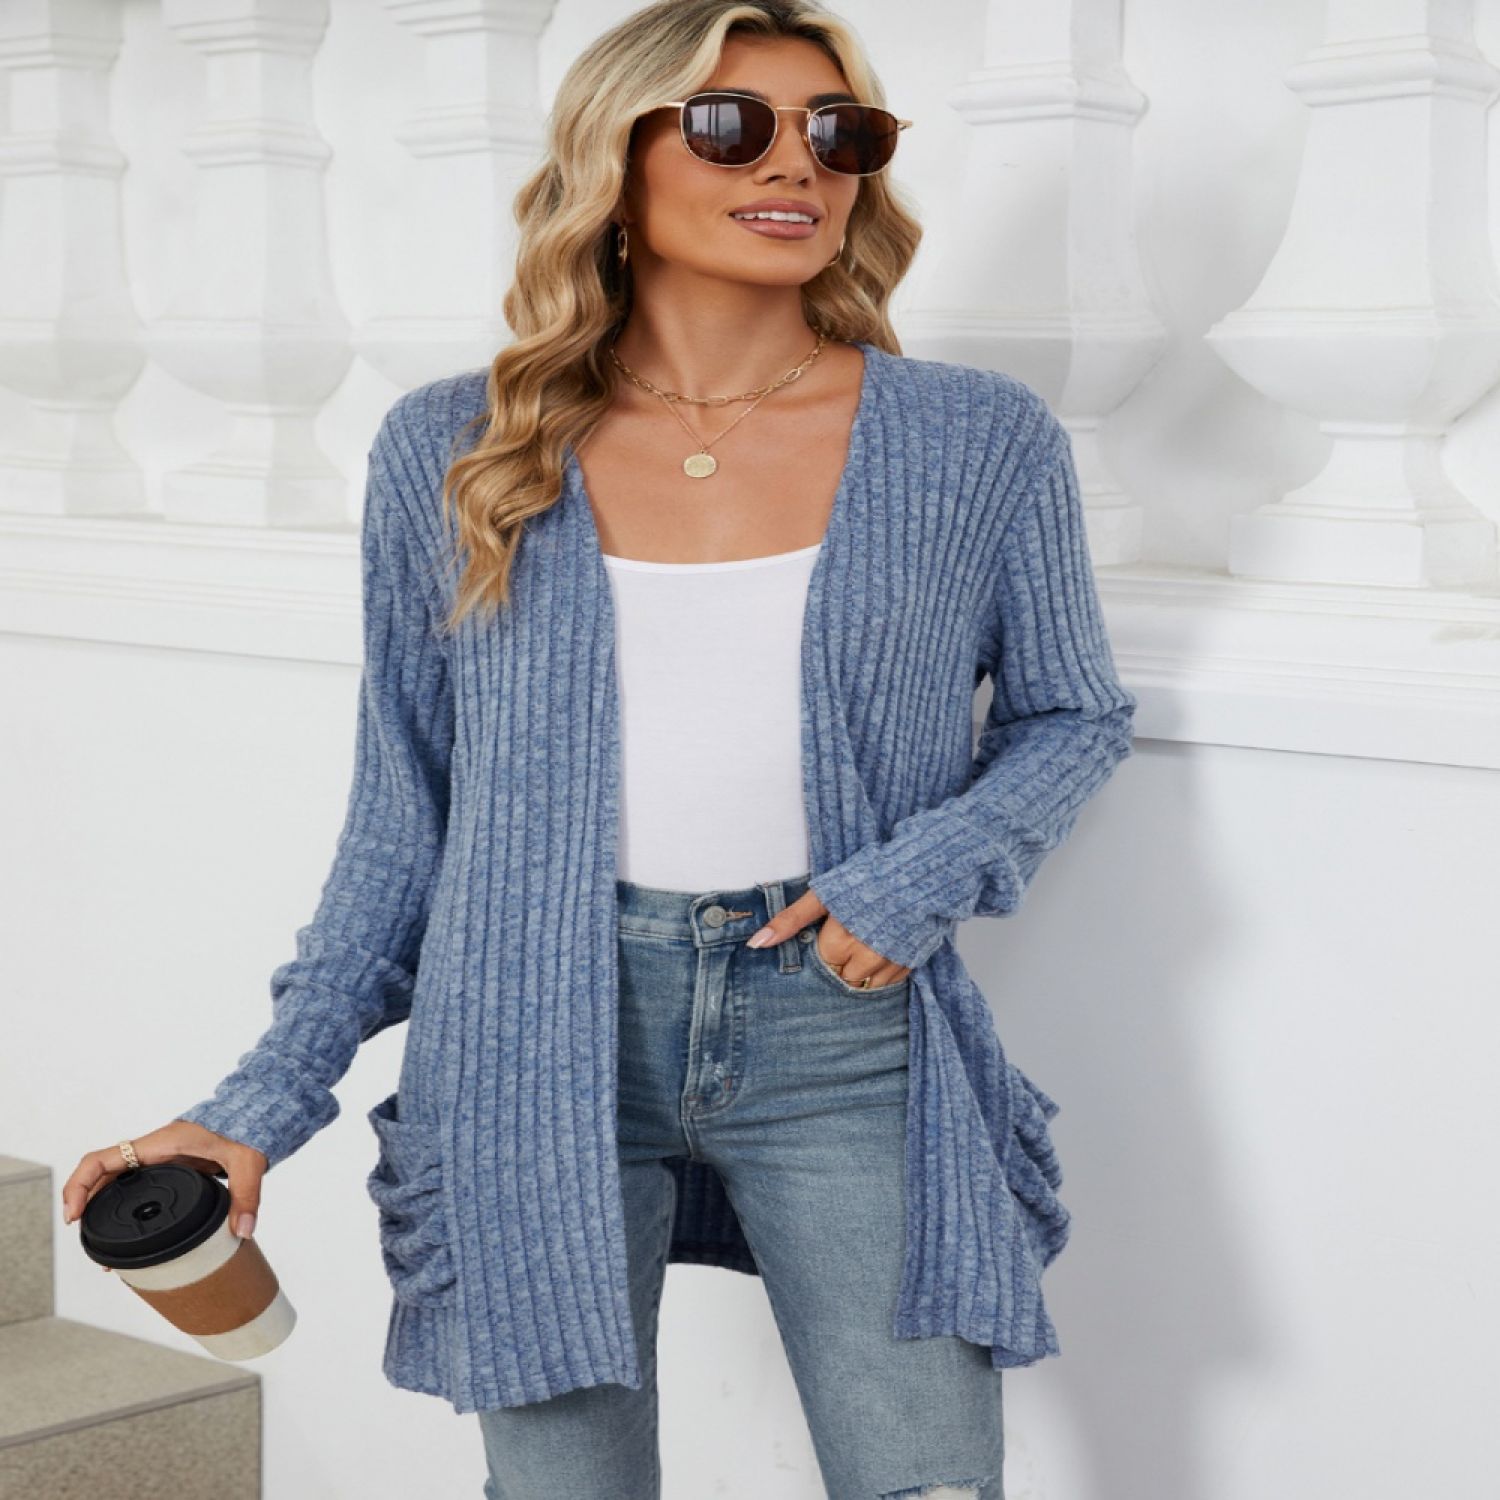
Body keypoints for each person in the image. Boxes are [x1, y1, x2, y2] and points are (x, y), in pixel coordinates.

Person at [61, 3, 1137, 1496]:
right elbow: (405, 824)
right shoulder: (459, 447)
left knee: (927, 1478)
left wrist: (917, 881)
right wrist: (257, 1105)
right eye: (731, 125)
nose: (797, 165)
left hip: (840, 1030)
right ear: (613, 160)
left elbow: (1073, 714)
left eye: (838, 133)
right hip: (524, 1035)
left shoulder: (974, 439)